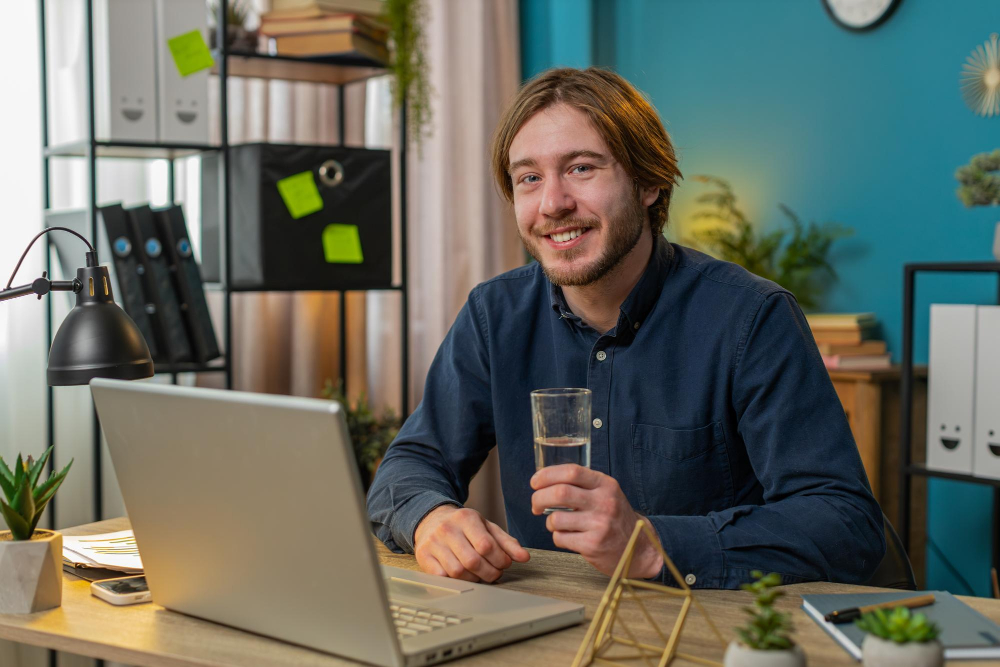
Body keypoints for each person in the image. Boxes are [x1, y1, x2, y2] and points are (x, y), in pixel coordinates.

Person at [366, 67, 885, 589]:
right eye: (529, 178)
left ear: (650, 182)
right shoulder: (493, 315)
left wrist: (652, 545)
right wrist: (431, 519)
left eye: (582, 168)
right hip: (543, 627)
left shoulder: (752, 318)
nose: (553, 204)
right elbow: (411, 463)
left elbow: (845, 524)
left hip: (708, 630)